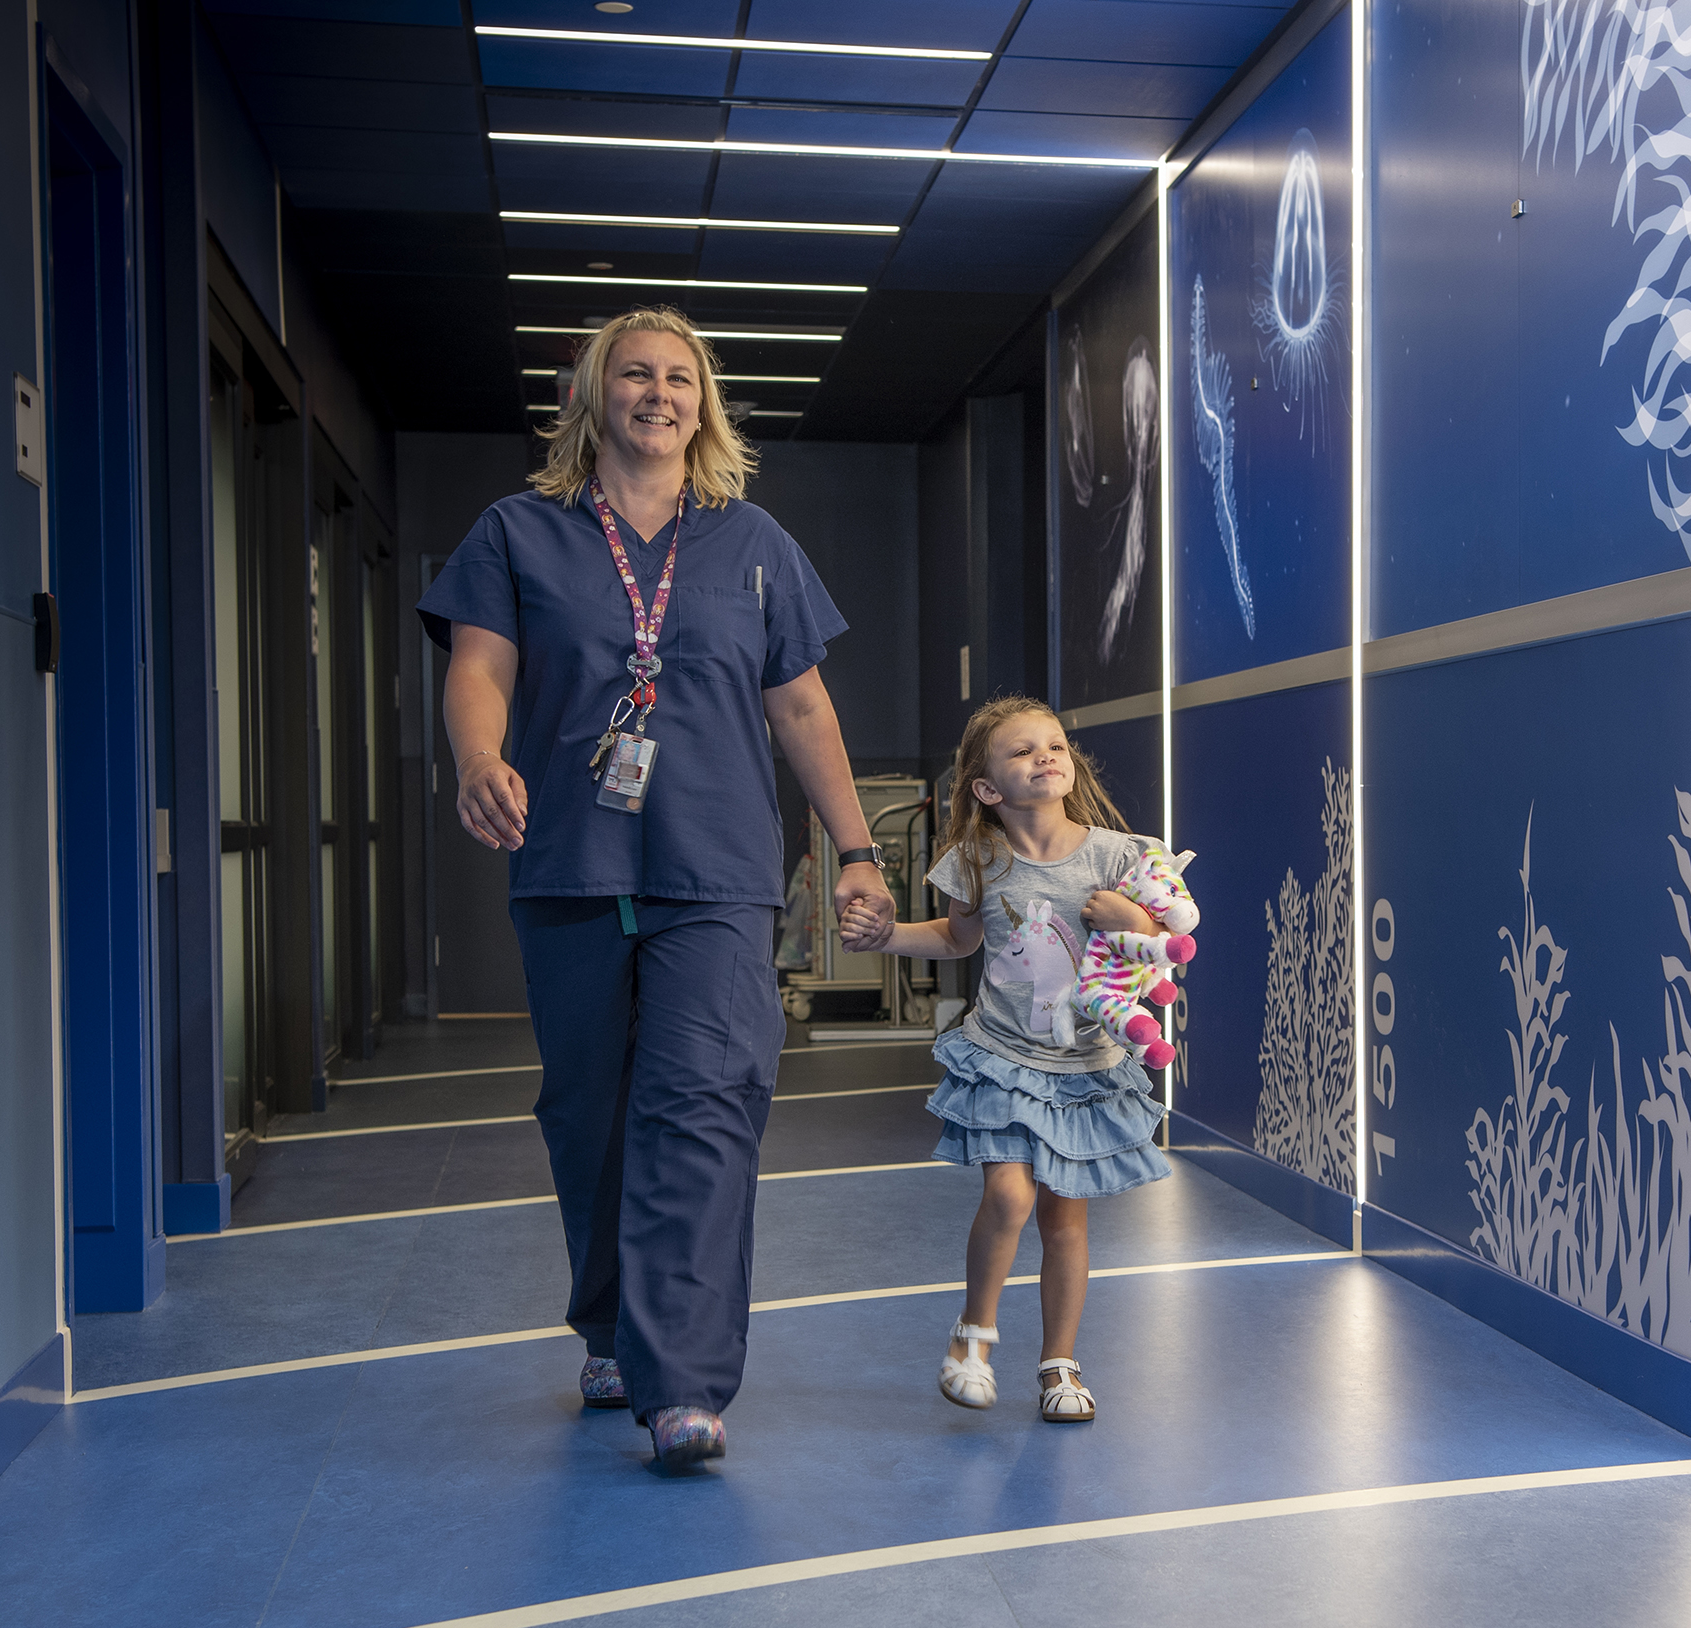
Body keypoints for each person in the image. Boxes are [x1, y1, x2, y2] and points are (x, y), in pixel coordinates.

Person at [419, 306, 892, 1468]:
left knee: (705, 1102)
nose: (658, 393)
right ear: (591, 397)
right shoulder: (518, 531)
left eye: (680, 378)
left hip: (719, 870)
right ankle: (609, 1323)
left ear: (705, 405)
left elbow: (800, 705)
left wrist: (856, 848)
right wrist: (481, 759)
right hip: (572, 862)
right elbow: (479, 666)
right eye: (634, 373)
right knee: (590, 1114)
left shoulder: (751, 542)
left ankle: (681, 1378)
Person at [839, 696, 1174, 1422]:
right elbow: (958, 940)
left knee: (1064, 1220)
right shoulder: (976, 858)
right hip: (1003, 1056)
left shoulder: (1120, 854)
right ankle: (973, 1336)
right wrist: (887, 936)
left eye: (1053, 744)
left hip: (1085, 1064)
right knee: (1011, 1195)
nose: (1045, 756)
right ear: (987, 788)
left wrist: (1135, 917)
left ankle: (1059, 1363)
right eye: (1022, 750)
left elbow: (1168, 932)